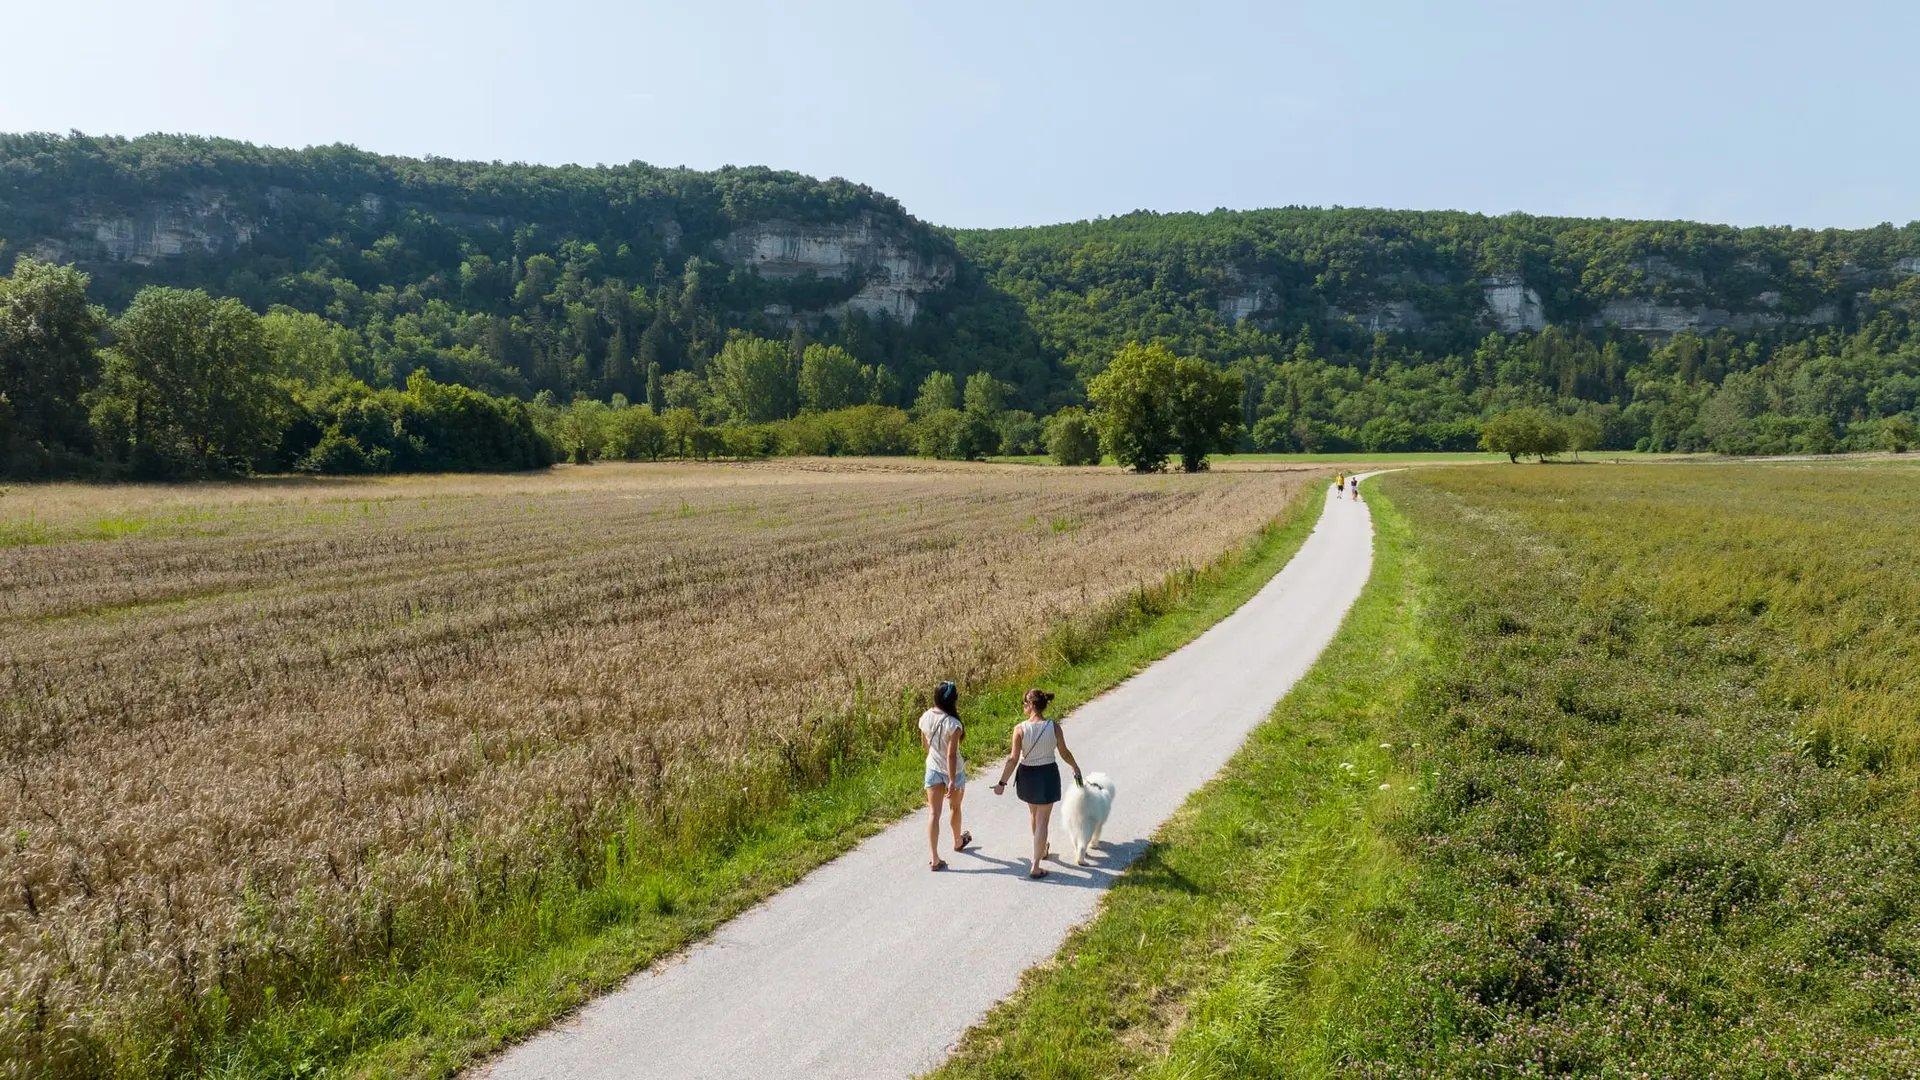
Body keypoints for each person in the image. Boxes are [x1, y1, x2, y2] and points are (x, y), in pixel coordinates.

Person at [991, 688, 1082, 879]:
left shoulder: (1019, 729)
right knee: (1043, 820)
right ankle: (1036, 864)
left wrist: (1002, 783)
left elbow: (1013, 759)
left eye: (1024, 704)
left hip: (1027, 775)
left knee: (1034, 814)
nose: (1023, 707)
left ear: (1031, 705)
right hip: (1047, 774)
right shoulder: (1054, 727)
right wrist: (1075, 766)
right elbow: (1064, 752)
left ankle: (1041, 850)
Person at [918, 681, 970, 871]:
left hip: (933, 768)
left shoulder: (925, 717)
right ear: (954, 700)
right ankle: (957, 841)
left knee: (934, 813)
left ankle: (934, 858)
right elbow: (951, 755)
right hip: (952, 772)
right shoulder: (954, 724)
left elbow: (925, 745)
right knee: (955, 808)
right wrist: (952, 780)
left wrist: (934, 758)